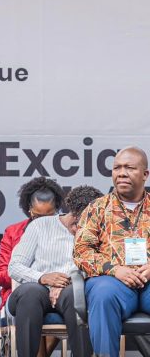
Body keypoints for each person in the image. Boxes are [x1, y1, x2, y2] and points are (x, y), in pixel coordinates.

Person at [8, 185, 102, 357]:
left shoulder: (95, 231)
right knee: (30, 293)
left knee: (76, 295)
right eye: (78, 223)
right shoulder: (39, 225)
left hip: (69, 290)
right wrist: (43, 277)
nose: (80, 230)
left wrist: (69, 280)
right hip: (37, 288)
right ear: (73, 212)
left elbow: (99, 265)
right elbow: (14, 266)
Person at [74, 146, 150, 357]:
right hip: (112, 282)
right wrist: (114, 269)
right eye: (117, 168)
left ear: (145, 174)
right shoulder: (97, 208)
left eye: (129, 168)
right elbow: (81, 251)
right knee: (103, 294)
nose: (122, 173)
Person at [0, 177, 64, 312]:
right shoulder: (13, 232)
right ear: (29, 209)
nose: (42, 222)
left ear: (57, 209)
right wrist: (39, 277)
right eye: (37, 217)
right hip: (24, 295)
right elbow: (1, 276)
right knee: (30, 296)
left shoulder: (67, 231)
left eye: (49, 217)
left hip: (59, 294)